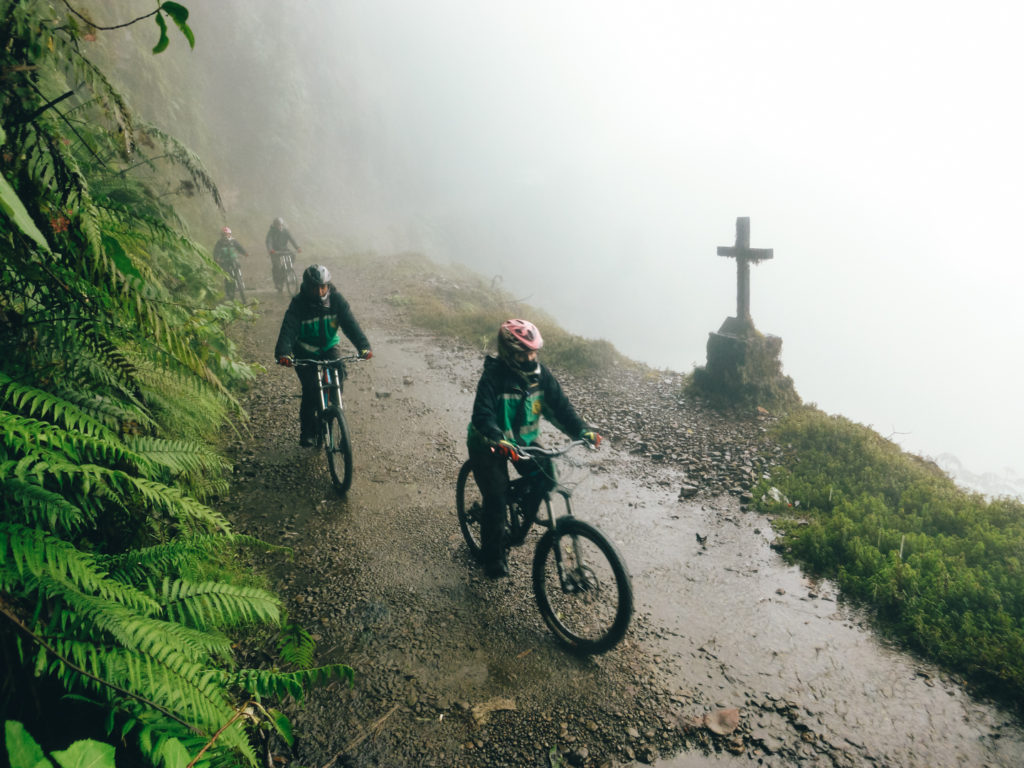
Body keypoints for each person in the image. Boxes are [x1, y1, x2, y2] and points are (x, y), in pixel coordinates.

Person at [466, 318, 602, 578]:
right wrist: (497, 439)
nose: (530, 357)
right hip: (488, 443)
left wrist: (583, 431)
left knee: (547, 477)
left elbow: (562, 410)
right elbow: (482, 415)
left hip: (524, 443)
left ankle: (517, 517)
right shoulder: (493, 376)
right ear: (508, 353)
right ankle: (492, 555)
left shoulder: (542, 376)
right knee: (496, 496)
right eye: (523, 353)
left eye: (533, 351)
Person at [274, 264, 373, 446]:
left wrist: (364, 347)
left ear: (328, 285)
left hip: (329, 346)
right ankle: (308, 431)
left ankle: (335, 413)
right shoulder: (299, 303)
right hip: (305, 349)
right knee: (311, 390)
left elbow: (351, 325)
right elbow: (288, 328)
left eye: (323, 287)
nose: (320, 291)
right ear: (307, 286)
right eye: (315, 287)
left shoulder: (336, 300)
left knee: (338, 377)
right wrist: (284, 352)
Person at [213, 226, 250, 300]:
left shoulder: (234, 241)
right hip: (225, 261)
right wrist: (216, 258)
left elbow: (240, 247)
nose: (226, 236)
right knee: (228, 275)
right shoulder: (219, 243)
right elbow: (216, 251)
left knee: (238, 267)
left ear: (230, 234)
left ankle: (240, 282)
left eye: (227, 234)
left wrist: (245, 253)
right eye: (224, 235)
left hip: (234, 259)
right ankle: (229, 292)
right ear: (222, 235)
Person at [265, 217, 301, 292]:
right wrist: (270, 249)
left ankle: (287, 271)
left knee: (293, 255)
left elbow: (292, 239)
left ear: (282, 225)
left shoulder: (286, 231)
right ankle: (278, 283)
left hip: (284, 249)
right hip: (275, 251)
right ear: (274, 225)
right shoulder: (271, 232)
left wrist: (297, 247)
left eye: (280, 225)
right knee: (276, 266)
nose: (279, 226)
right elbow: (269, 241)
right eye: (277, 225)